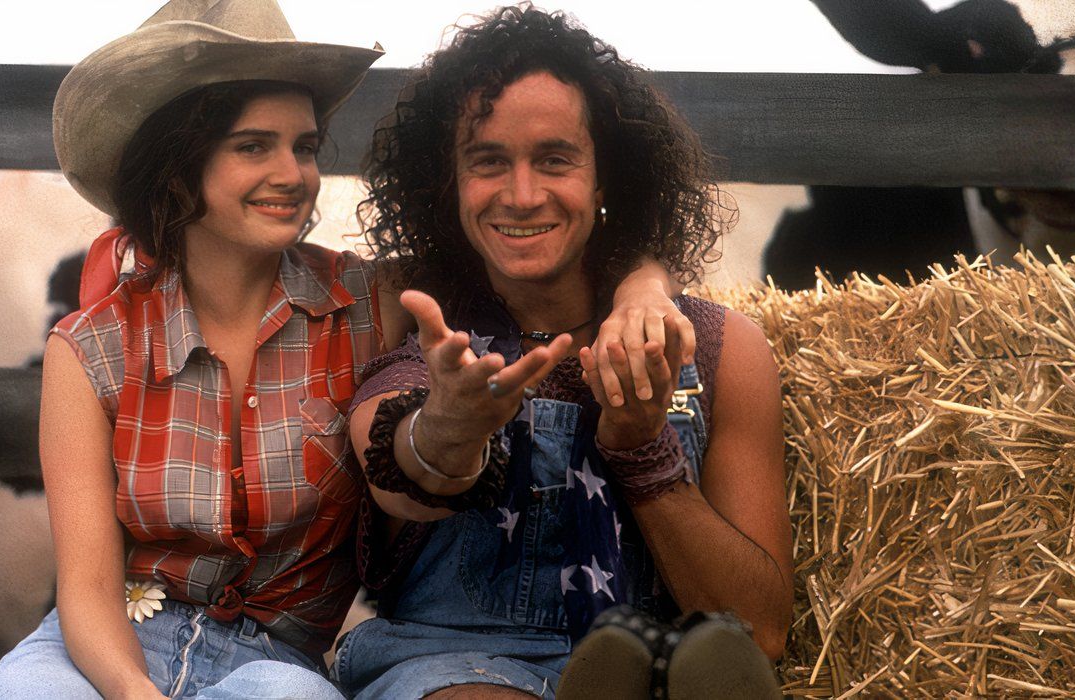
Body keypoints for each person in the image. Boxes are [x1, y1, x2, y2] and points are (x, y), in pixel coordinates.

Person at [0, 1, 689, 697]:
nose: (293, 174)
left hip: (278, 664)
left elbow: (530, 246)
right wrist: (135, 693)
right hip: (109, 646)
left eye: (306, 146)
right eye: (254, 146)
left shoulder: (370, 300)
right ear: (176, 165)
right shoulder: (91, 348)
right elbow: (86, 589)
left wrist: (644, 290)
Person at [333, 5, 793, 699]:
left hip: (658, 662)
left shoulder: (724, 348)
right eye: (488, 162)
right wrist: (449, 430)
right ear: (449, 185)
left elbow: (760, 630)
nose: (522, 196)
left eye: (554, 159)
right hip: (454, 665)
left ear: (607, 180)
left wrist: (644, 451)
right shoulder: (406, 319)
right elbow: (395, 461)